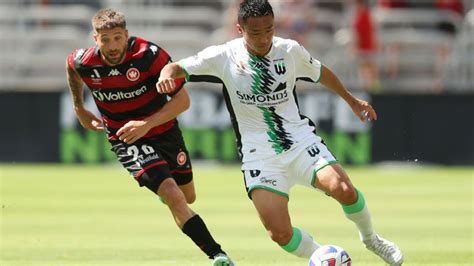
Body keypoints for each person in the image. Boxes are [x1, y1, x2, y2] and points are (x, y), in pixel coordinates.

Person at [156, 0, 404, 265]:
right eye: (255, 32)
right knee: (280, 233)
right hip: (259, 155)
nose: (264, 38)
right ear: (240, 29)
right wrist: (165, 75)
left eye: (269, 30)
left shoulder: (289, 50)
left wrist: (352, 100)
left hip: (298, 140)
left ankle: (371, 239)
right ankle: (322, 257)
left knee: (344, 189)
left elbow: (321, 74)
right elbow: (177, 67)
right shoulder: (223, 56)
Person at [65, 8, 235, 266]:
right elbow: (72, 70)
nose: (112, 46)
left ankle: (165, 188)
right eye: (106, 39)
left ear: (127, 35)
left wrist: (145, 124)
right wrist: (79, 108)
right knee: (173, 195)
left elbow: (183, 100)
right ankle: (218, 255)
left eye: (118, 37)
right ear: (95, 39)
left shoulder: (149, 57)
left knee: (187, 196)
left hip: (163, 130)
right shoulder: (83, 61)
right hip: (126, 137)